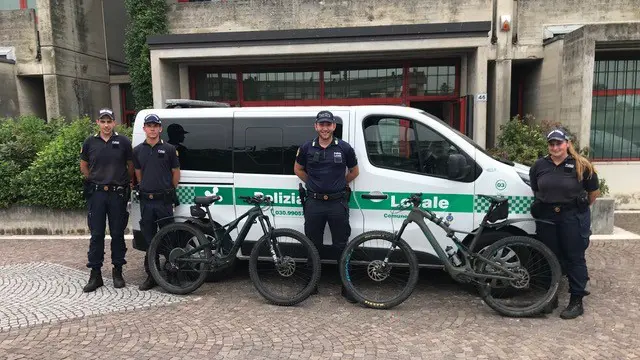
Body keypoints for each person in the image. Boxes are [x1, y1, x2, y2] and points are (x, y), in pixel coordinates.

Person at [529, 127, 600, 319]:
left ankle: (576, 301)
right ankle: (550, 298)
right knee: (550, 256)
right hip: (547, 216)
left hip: (572, 216)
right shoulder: (539, 166)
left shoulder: (581, 165)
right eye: (551, 144)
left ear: (567, 144)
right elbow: (536, 189)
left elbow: (594, 191)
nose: (555, 147)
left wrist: (580, 206)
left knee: (574, 257)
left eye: (558, 143)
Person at [294, 110, 360, 302]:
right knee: (312, 244)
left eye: (328, 124)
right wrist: (313, 184)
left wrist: (339, 184)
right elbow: (298, 169)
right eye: (321, 124)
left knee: (342, 245)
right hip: (314, 202)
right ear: (316, 126)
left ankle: (346, 287)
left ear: (333, 126)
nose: (325, 128)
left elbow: (354, 171)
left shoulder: (345, 148)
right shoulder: (307, 147)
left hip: (337, 203)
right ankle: (311, 284)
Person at [80, 108, 134, 292]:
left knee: (118, 233)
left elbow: (131, 165)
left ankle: (117, 271)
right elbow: (84, 164)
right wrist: (93, 179)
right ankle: (95, 274)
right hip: (97, 195)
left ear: (114, 123)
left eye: (109, 121)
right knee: (96, 235)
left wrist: (123, 181)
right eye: (103, 121)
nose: (106, 125)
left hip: (117, 194)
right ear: (98, 123)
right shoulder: (90, 142)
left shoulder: (124, 141)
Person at [132, 114, 181, 291]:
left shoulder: (169, 149)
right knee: (149, 239)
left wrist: (169, 189)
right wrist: (146, 186)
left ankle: (172, 273)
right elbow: (138, 174)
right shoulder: (137, 150)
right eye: (149, 126)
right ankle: (151, 275)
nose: (152, 129)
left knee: (169, 237)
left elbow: (176, 172)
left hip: (164, 201)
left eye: (155, 126)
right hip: (147, 201)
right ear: (144, 128)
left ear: (160, 129)